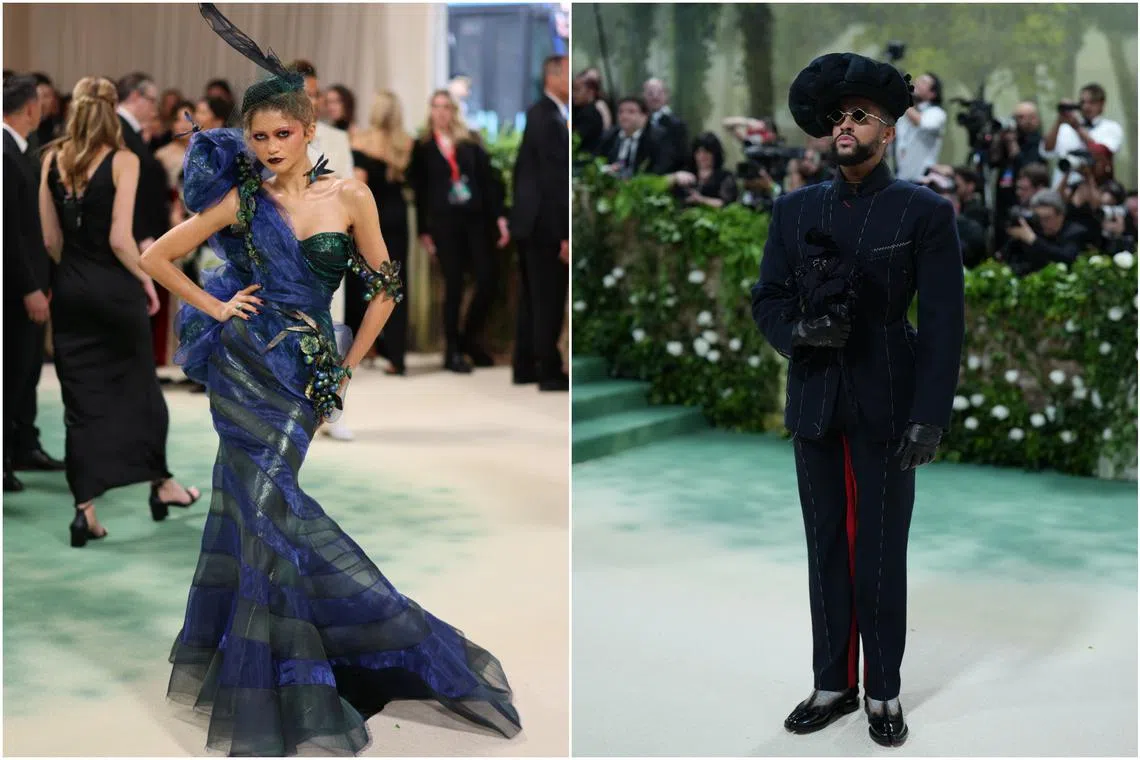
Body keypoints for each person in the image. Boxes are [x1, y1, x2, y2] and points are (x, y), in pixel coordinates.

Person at [139, 6, 520, 754]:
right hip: (243, 362)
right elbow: (157, 255)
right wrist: (217, 303)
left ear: (310, 130)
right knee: (253, 508)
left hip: (303, 369)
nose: (273, 147)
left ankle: (385, 637)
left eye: (285, 134)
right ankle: (278, 674)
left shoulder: (350, 195)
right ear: (248, 138)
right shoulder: (242, 199)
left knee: (269, 504)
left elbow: (384, 286)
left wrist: (346, 365)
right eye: (260, 136)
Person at [752, 52, 964, 747]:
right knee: (824, 547)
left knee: (879, 550)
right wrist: (799, 331)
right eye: (838, 117)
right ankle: (832, 684)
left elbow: (942, 325)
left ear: (887, 129)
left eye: (860, 117)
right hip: (815, 397)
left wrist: (931, 415)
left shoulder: (925, 212)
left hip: (892, 400)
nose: (846, 126)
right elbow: (768, 299)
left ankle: (884, 693)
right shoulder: (793, 210)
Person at [36, 76, 200, 546]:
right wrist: (148, 279)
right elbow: (120, 240)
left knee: (81, 403)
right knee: (140, 390)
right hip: (115, 291)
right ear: (112, 111)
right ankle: (162, 484)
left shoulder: (51, 159)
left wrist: (74, 273)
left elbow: (50, 240)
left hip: (70, 288)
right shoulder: (124, 160)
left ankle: (83, 510)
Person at [410, 89, 510, 373]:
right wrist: (424, 231)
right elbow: (420, 193)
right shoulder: (423, 147)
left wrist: (500, 218)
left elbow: (489, 183)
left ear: (454, 111)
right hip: (445, 224)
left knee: (487, 278)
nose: (441, 112)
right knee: (453, 284)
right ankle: (452, 349)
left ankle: (469, 338)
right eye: (436, 107)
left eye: (446, 107)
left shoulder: (470, 143)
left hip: (475, 219)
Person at [3, 74, 65, 492]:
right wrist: (28, 287)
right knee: (10, 373)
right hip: (13, 287)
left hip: (28, 281)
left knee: (25, 372)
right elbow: (8, 231)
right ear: (30, 108)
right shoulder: (5, 153)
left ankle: (23, 445)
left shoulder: (19, 149)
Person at [511, 54, 570, 391]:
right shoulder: (547, 117)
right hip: (545, 223)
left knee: (532, 299)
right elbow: (553, 180)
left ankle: (525, 365)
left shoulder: (540, 114)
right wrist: (563, 233)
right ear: (552, 77)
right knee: (546, 297)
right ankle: (547, 368)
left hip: (529, 221)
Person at [349, 90, 412, 375]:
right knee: (396, 283)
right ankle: (396, 356)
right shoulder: (405, 144)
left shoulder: (360, 140)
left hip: (371, 217)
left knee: (369, 283)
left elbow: (358, 183)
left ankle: (367, 347)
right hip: (398, 217)